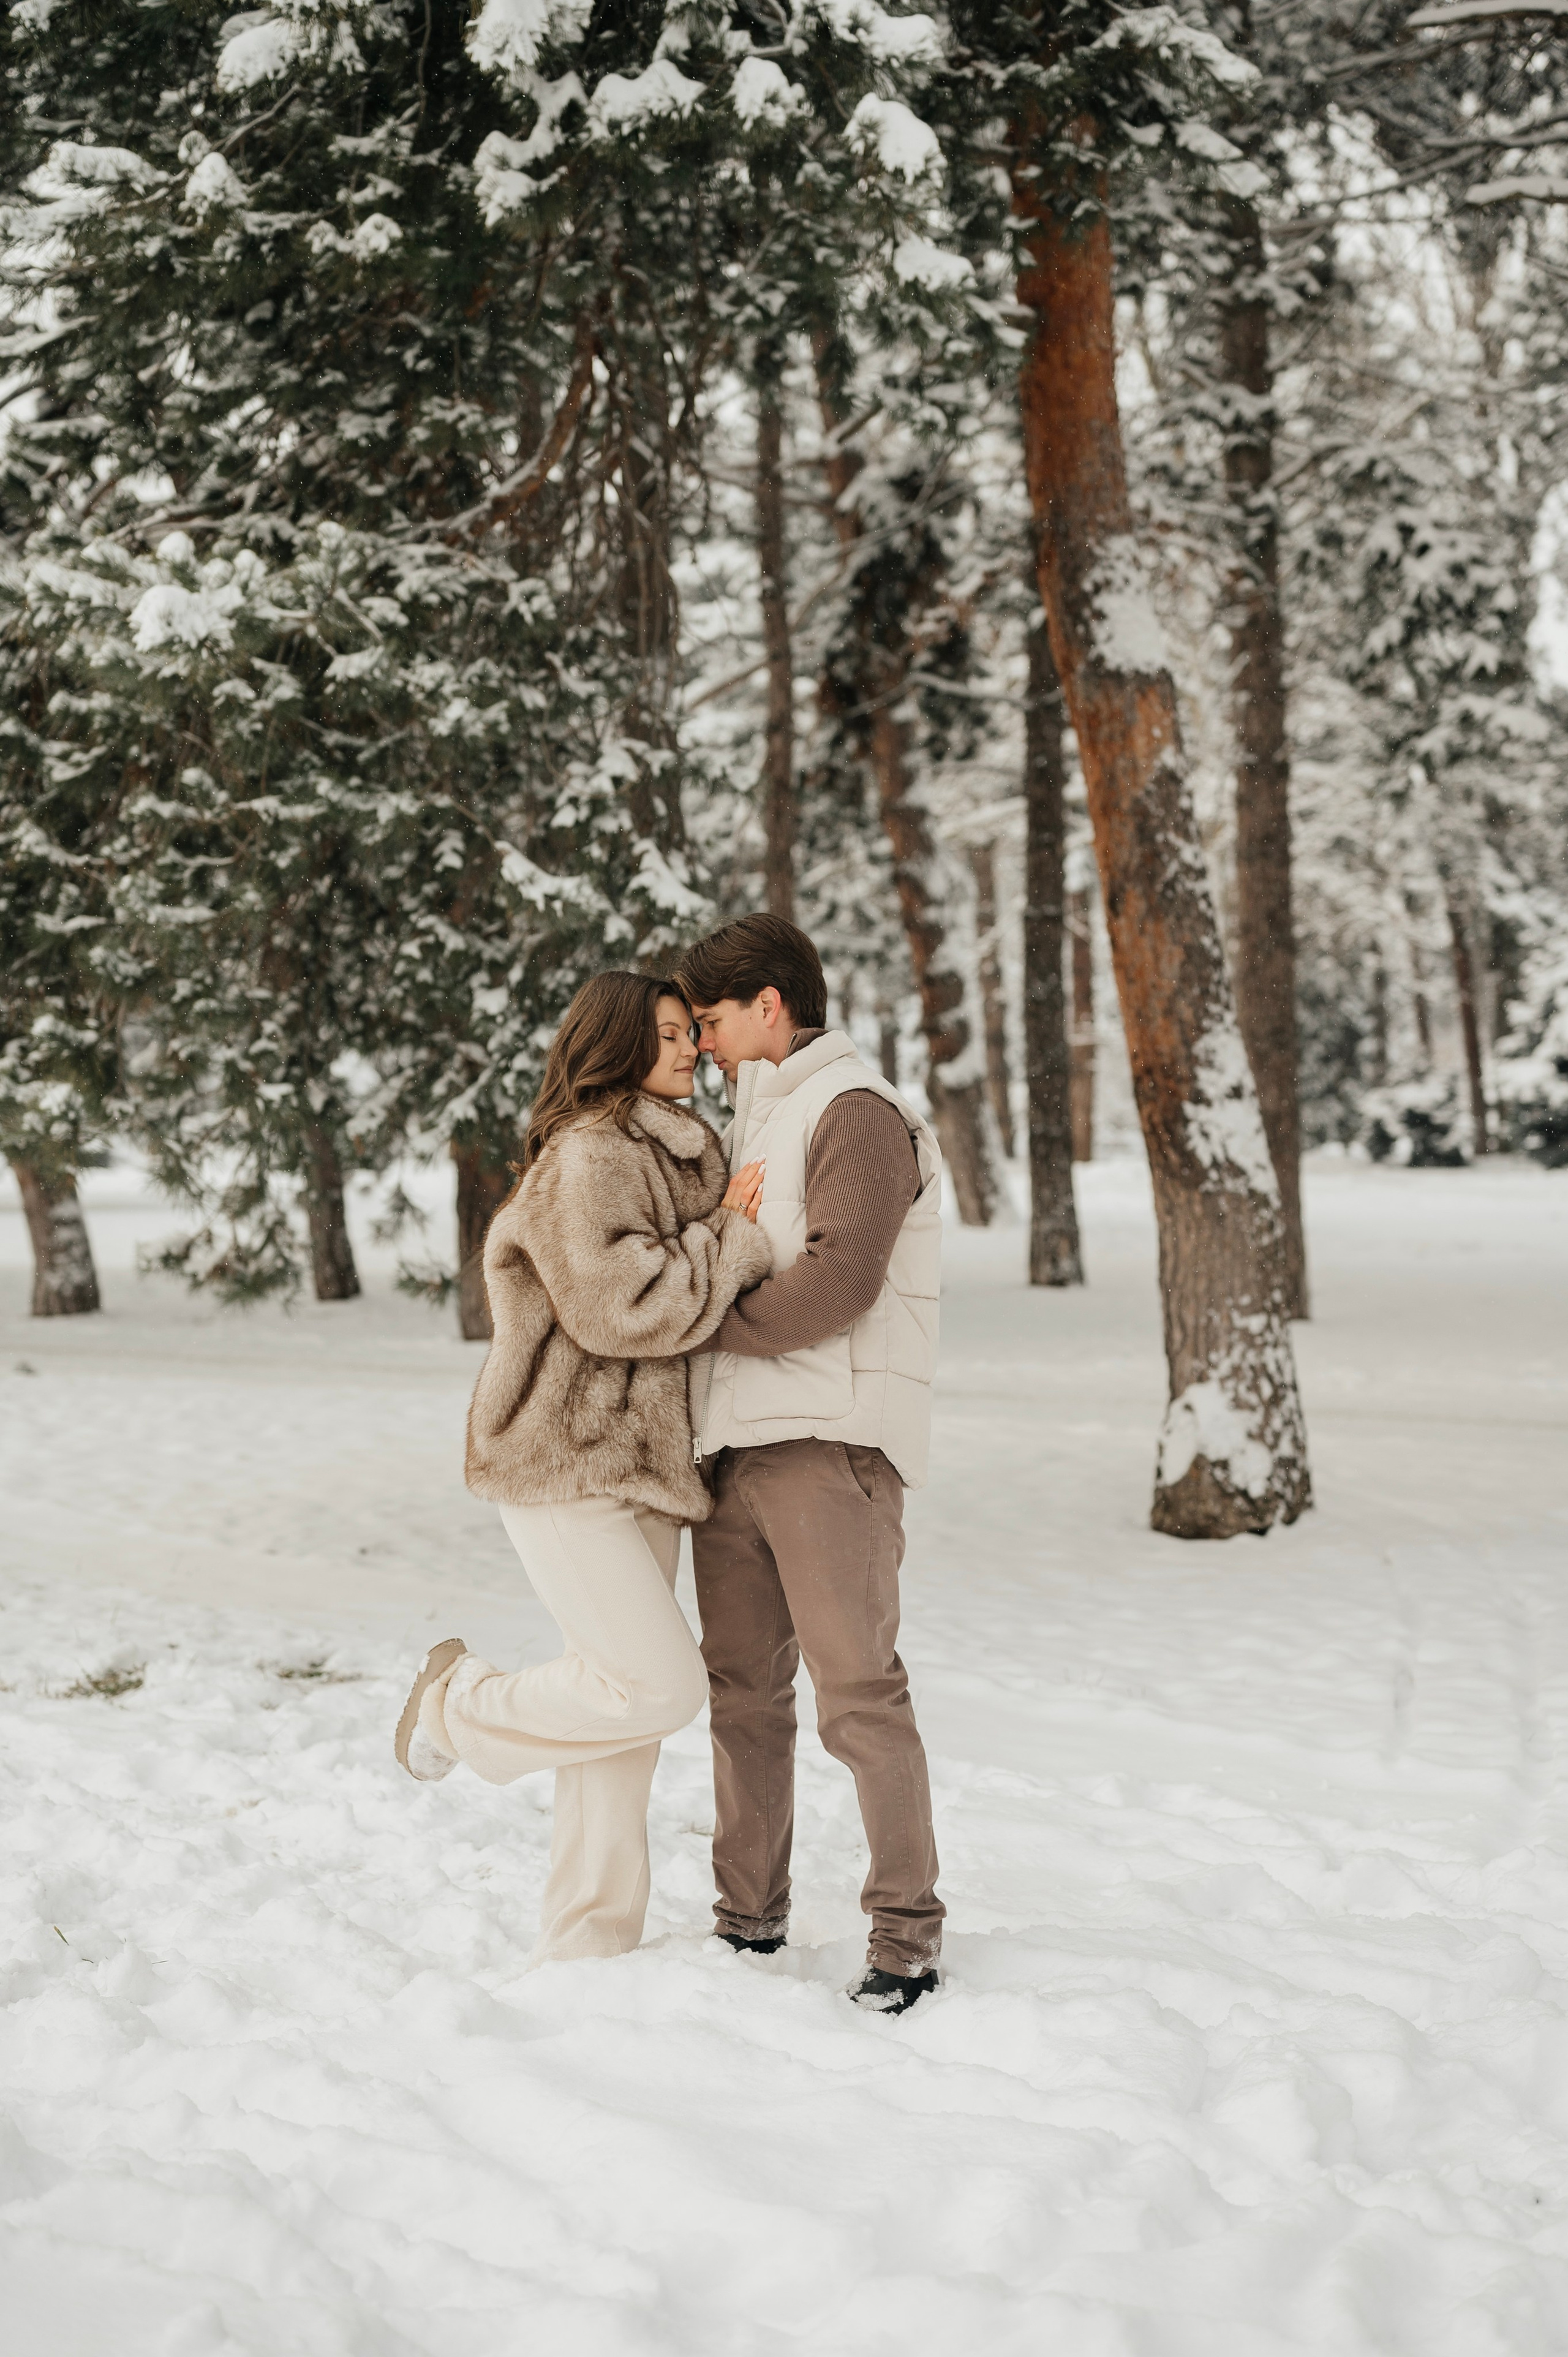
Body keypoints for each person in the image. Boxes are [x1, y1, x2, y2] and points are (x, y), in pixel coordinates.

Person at [392, 971, 770, 1966]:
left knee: (620, 1715)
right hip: (565, 1457)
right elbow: (622, 1308)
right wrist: (728, 1240)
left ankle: (587, 1948)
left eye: (693, 1032)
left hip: (646, 1463)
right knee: (660, 1686)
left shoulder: (681, 1152)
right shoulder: (593, 1154)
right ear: (612, 1044)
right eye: (668, 1034)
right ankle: (455, 1706)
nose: (691, 1047)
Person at [674, 914, 946, 2014]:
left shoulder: (856, 1112)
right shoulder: (752, 1127)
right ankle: (748, 1919)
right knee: (741, 1696)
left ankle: (906, 1935)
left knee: (857, 1699)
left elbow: (839, 1283)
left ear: (770, 1004)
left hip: (830, 1449)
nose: (699, 1041)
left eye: (712, 1018)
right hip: (735, 1452)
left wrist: (702, 1324)